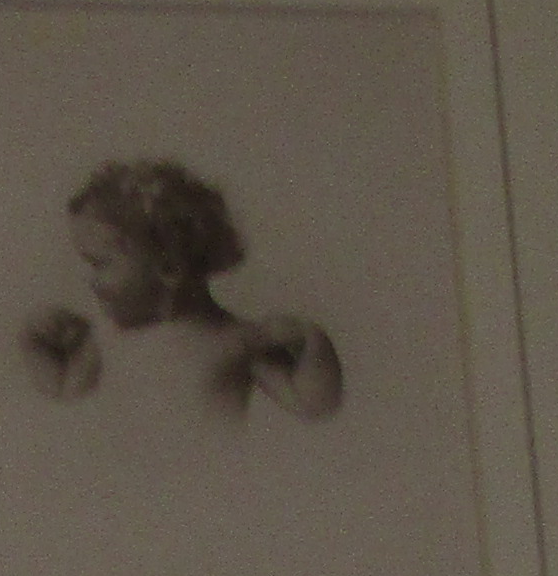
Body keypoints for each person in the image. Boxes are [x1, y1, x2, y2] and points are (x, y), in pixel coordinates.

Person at [20, 158, 343, 419]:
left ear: (170, 269)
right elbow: (61, 391)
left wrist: (314, 344)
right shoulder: (105, 338)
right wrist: (33, 341)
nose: (89, 279)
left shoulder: (235, 339)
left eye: (100, 264)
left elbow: (313, 405)